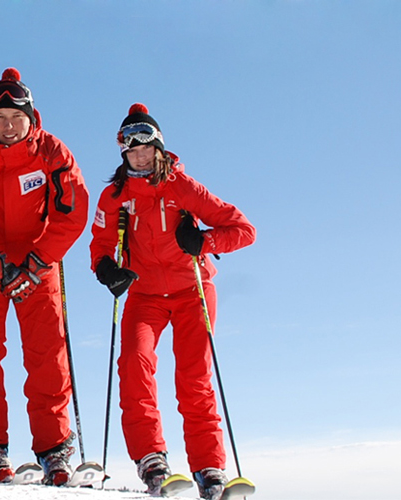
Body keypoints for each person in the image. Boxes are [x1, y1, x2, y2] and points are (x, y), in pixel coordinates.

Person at [87, 103, 254, 498]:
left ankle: (210, 469)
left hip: (192, 290)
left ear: (159, 148)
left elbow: (243, 230)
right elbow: (100, 244)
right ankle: (152, 460)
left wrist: (204, 241)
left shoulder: (183, 187)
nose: (140, 154)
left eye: (146, 146)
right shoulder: (114, 196)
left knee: (194, 376)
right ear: (123, 152)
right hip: (144, 295)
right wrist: (106, 269)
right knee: (134, 363)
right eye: (131, 148)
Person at [0, 67, 90, 485]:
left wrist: (38, 261)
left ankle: (55, 449)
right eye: (0, 119)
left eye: (16, 118)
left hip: (38, 263)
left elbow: (72, 210)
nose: (8, 127)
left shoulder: (53, 152)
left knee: (47, 354)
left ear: (31, 118)